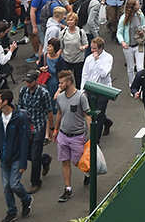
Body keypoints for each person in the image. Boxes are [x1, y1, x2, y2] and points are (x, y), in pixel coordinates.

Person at [0, 89, 34, 222]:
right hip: (4, 157)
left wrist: (23, 163)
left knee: (14, 184)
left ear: (5, 102)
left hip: (16, 157)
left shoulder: (19, 117)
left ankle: (26, 199)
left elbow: (24, 141)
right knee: (6, 187)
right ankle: (12, 211)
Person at [49, 70, 92, 204]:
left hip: (77, 136)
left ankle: (88, 174)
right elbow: (60, 114)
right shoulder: (61, 98)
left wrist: (92, 135)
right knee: (65, 161)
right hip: (63, 135)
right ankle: (68, 189)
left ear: (69, 82)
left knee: (76, 162)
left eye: (61, 83)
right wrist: (56, 130)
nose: (59, 85)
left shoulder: (81, 97)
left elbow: (87, 115)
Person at [16, 70, 54, 196]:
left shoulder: (43, 93)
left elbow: (49, 111)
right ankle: (46, 159)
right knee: (27, 154)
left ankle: (35, 182)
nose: (28, 84)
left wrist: (51, 129)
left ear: (36, 81)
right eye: (27, 81)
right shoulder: (23, 91)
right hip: (26, 127)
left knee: (35, 155)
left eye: (30, 81)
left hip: (39, 126)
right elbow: (20, 109)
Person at [80, 37, 115, 136]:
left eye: (95, 48)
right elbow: (85, 74)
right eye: (91, 48)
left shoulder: (108, 58)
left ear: (101, 48)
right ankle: (107, 122)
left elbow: (104, 74)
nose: (92, 51)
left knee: (98, 115)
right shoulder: (88, 59)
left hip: (104, 89)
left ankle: (96, 139)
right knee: (94, 111)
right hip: (92, 89)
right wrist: (82, 89)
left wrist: (97, 60)